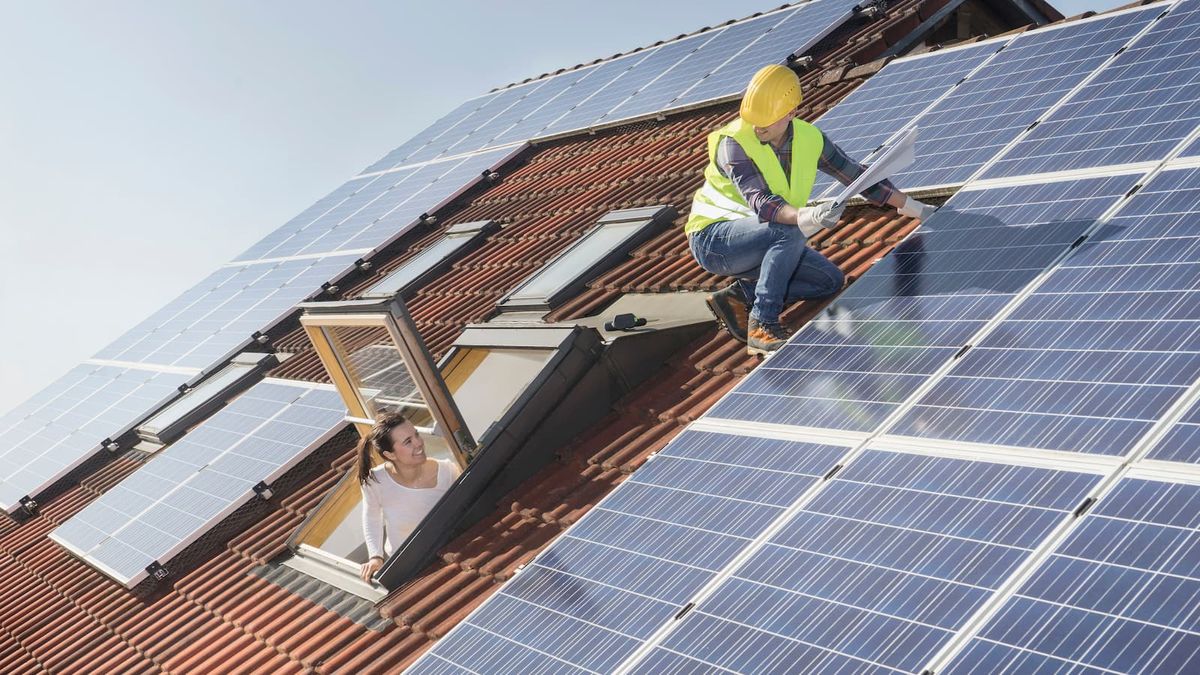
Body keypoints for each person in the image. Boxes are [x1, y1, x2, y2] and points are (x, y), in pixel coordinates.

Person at [687, 64, 938, 355]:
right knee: (789, 230)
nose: (757, 128)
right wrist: (805, 216)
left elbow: (857, 177)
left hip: (763, 238)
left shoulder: (810, 139)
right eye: (753, 120)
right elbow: (762, 203)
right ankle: (762, 324)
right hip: (714, 240)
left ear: (792, 112)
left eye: (766, 121)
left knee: (828, 282)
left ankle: (739, 295)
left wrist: (912, 207)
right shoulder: (733, 143)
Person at [357, 412, 461, 583]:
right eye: (408, 441)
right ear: (390, 455)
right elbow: (371, 517)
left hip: (448, 556)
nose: (419, 443)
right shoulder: (375, 482)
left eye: (416, 435)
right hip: (406, 567)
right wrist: (375, 556)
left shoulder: (448, 472)